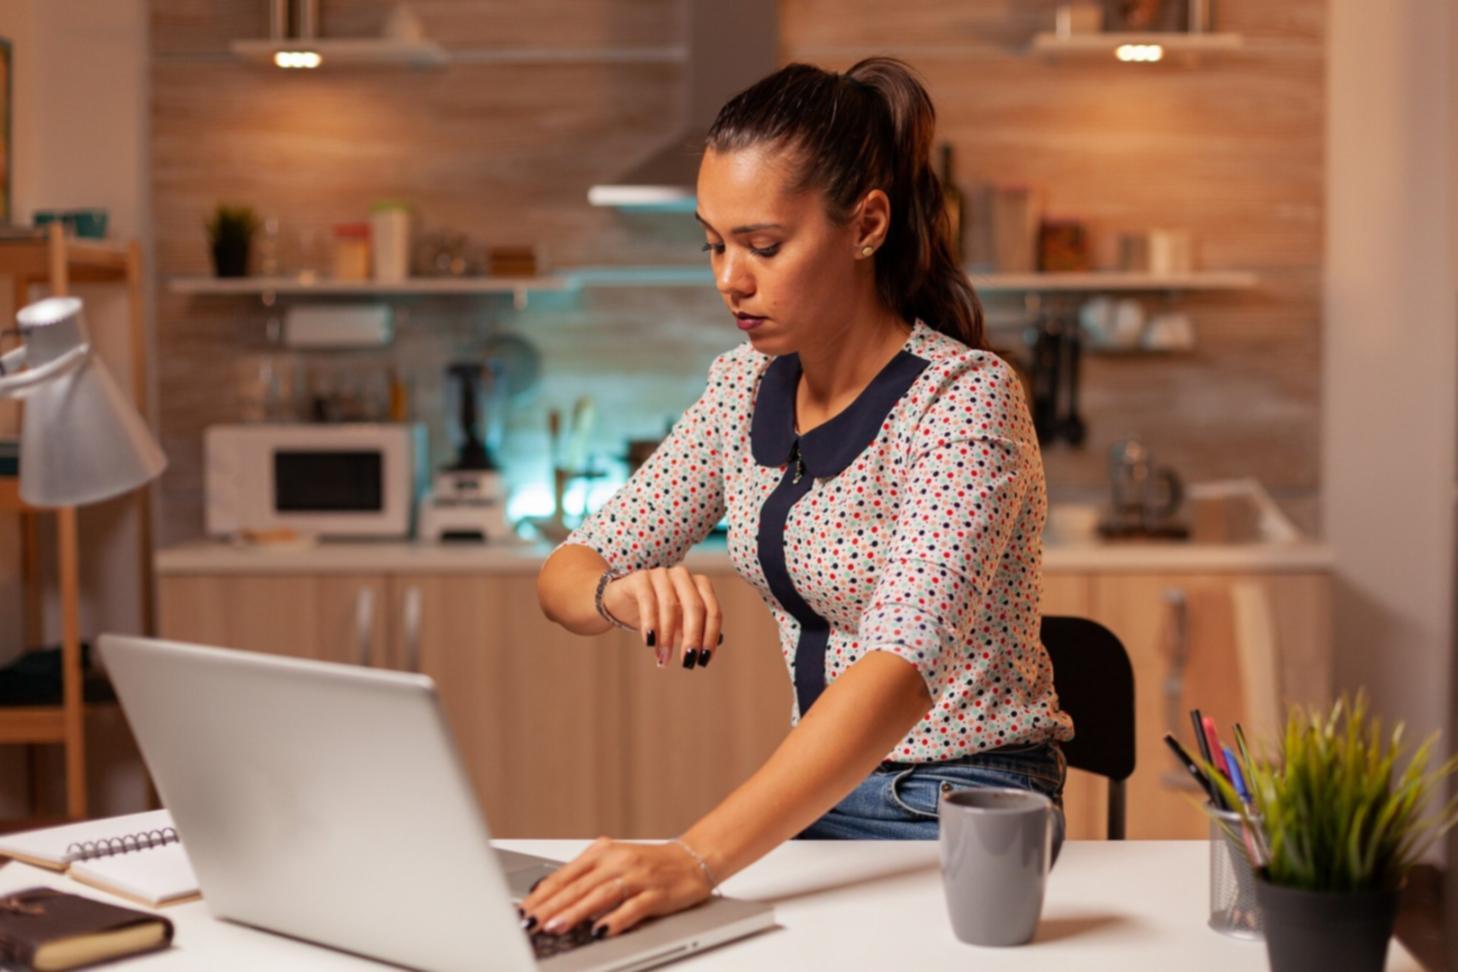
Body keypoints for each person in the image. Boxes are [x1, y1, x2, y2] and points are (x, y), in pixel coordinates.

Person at [522, 57, 1073, 942]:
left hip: (960, 805)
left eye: (763, 246)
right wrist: (611, 591)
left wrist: (693, 858)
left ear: (866, 225)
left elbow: (900, 670)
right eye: (714, 243)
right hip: (816, 802)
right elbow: (568, 567)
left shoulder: (963, 399)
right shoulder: (744, 387)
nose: (728, 279)